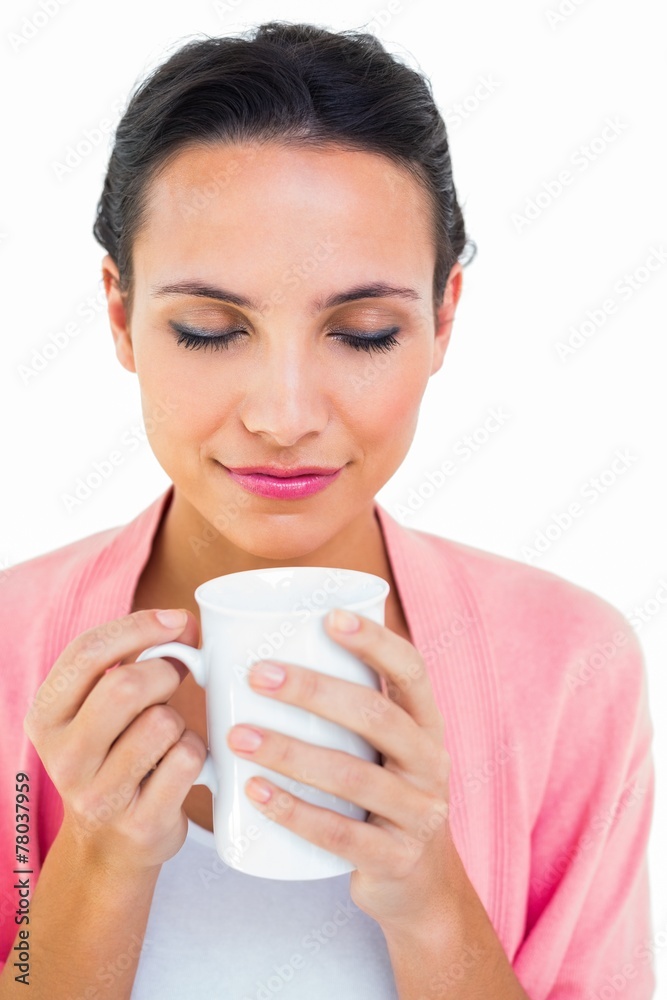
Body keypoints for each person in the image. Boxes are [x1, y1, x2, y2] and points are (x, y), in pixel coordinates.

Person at [0, 20, 655, 999]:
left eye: (363, 331)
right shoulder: (9, 647)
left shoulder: (570, 666)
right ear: (120, 314)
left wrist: (430, 900)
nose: (284, 416)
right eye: (208, 329)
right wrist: (94, 860)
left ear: (442, 318)